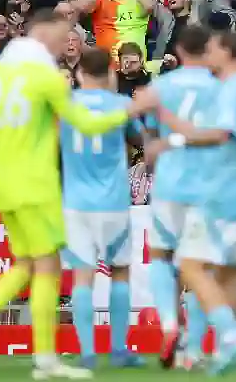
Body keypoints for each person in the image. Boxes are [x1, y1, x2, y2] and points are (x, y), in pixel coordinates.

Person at [0, 10, 152, 379]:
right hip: (38, 185)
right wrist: (133, 107)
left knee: (25, 263)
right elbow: (85, 122)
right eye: (60, 35)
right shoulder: (44, 75)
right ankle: (45, 360)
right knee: (47, 267)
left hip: (5, 184)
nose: (62, 45)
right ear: (42, 32)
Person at [146, 31, 236, 374]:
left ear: (227, 52)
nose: (208, 54)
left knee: (190, 265)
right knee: (226, 275)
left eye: (213, 48)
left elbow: (219, 134)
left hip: (228, 194)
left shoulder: (235, 90)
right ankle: (222, 344)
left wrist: (171, 137)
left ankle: (229, 336)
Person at [59, 47, 145, 369]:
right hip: (114, 202)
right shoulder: (121, 105)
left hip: (76, 204)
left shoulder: (66, 105)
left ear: (79, 74)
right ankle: (119, 348)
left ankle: (87, 352)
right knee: (120, 272)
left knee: (83, 277)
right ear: (110, 73)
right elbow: (140, 140)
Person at [142, 25, 219, 370]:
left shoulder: (162, 86)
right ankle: (194, 349)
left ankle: (170, 326)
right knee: (199, 268)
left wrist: (154, 148)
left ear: (180, 51)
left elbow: (145, 129)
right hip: (205, 185)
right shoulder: (219, 89)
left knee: (161, 256)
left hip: (168, 183)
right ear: (206, 51)